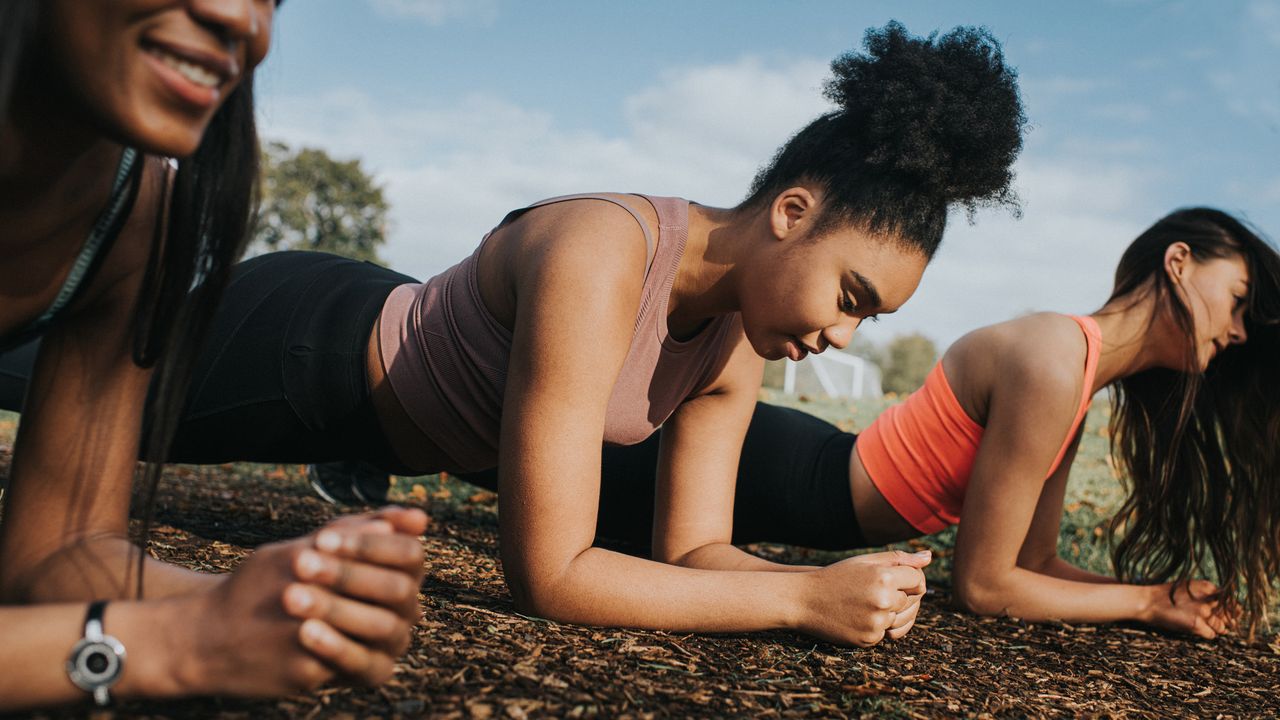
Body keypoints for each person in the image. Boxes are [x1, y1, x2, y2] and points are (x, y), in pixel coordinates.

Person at [1, 22, 1024, 647]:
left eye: (870, 317)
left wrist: (823, 585)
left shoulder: (733, 342)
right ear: (790, 213)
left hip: (381, 409)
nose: (845, 337)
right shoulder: (603, 248)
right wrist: (799, 607)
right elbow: (552, 574)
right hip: (303, 351)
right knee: (25, 360)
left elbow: (693, 548)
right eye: (850, 296)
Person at [465, 207, 1280, 639]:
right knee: (498, 443)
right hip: (792, 474)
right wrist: (1145, 604)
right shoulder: (1052, 355)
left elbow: (1035, 565)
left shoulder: (1076, 373)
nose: (1239, 331)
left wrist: (1161, 598)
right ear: (1178, 261)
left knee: (526, 452)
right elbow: (989, 588)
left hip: (806, 474)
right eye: (1238, 301)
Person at [0, 1, 426, 709]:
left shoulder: (135, 212)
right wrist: (157, 647)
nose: (241, 19)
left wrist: (253, 606)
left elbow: (56, 551)